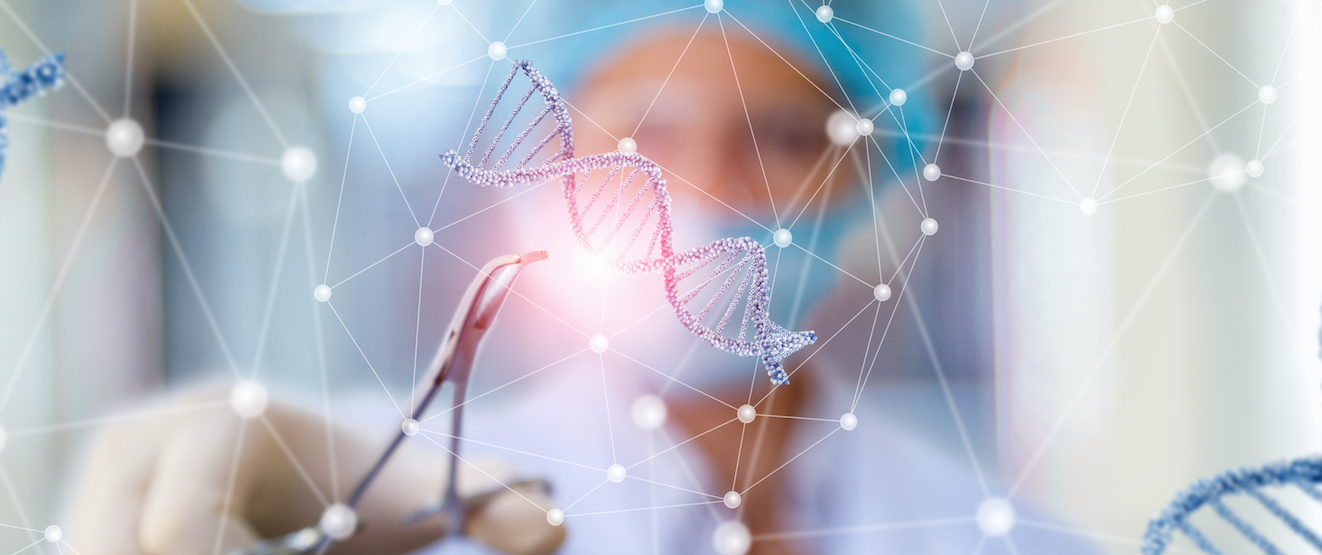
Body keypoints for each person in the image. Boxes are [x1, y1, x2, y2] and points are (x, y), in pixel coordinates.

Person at [68, 8, 1094, 555]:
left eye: (780, 136)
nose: (704, 191)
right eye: (646, 134)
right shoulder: (396, 487)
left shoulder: (1005, 537)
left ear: (872, 171)